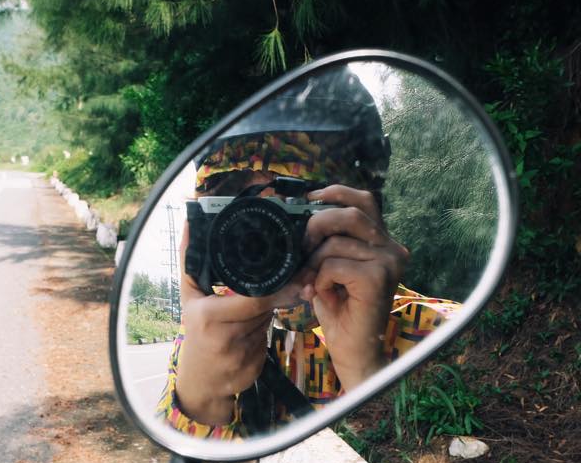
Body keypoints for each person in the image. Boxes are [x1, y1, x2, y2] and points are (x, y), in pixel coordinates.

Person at [155, 67, 461, 439]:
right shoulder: (212, 334)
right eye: (236, 203)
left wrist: (368, 373)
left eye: (299, 202)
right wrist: (199, 403)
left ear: (364, 213)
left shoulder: (446, 336)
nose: (267, 235)